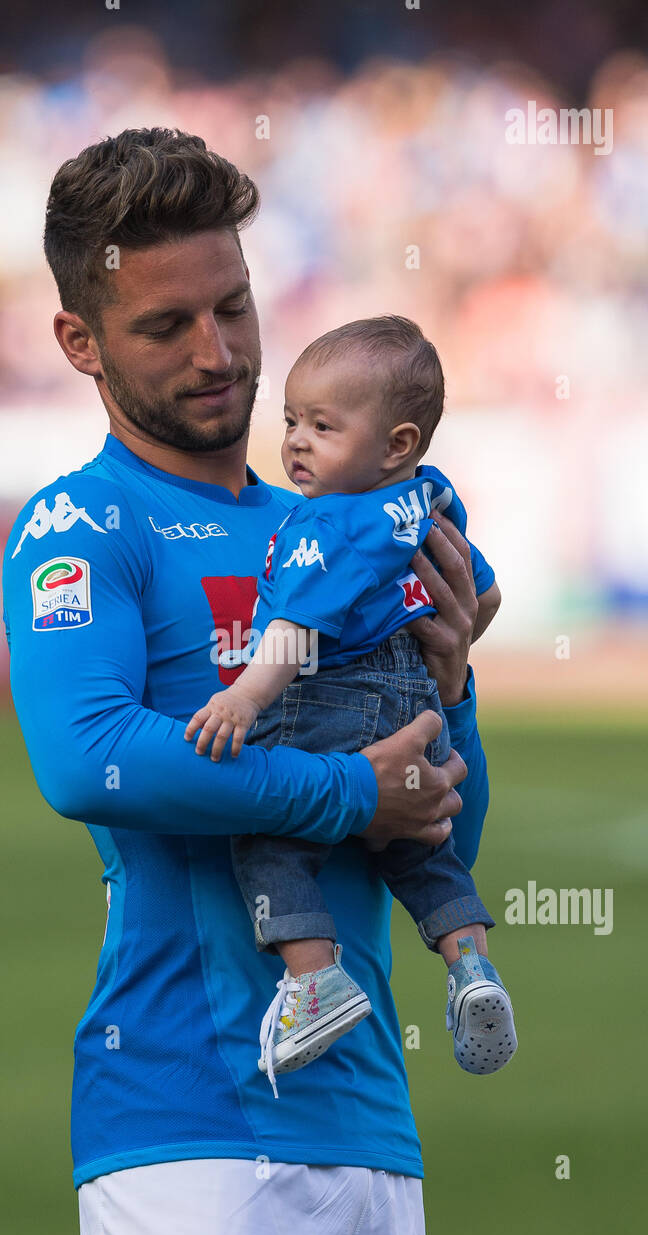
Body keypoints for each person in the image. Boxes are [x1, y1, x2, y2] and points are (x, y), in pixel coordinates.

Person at [3, 127, 490, 1235]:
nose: (218, 355)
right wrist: (347, 792)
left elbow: (445, 838)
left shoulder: (344, 532)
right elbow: (90, 759)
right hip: (188, 1131)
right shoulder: (80, 527)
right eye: (167, 326)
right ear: (81, 340)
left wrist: (456, 693)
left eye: (234, 307)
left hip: (371, 1118)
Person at [185, 316, 516, 1094]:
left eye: (323, 426)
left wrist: (245, 695)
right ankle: (470, 966)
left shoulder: (324, 520)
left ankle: (313, 980)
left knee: (267, 835)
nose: (296, 441)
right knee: (421, 850)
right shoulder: (428, 498)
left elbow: (298, 631)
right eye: (291, 421)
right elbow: (484, 593)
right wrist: (451, 662)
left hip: (330, 698)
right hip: (418, 706)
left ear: (396, 442)